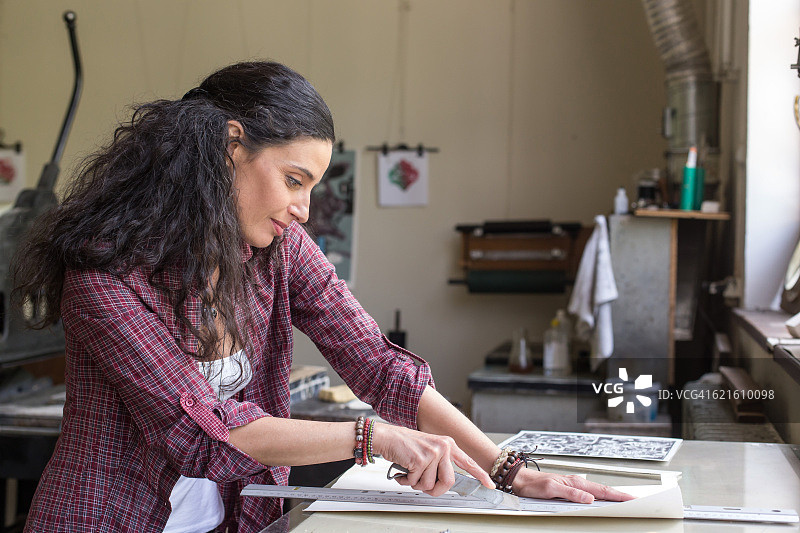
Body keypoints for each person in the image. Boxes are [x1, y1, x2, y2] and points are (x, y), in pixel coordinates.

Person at [14, 61, 631, 533]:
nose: (304, 208)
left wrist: (509, 472)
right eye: (293, 180)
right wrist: (373, 438)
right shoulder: (106, 276)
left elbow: (381, 367)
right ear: (231, 148)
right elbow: (205, 433)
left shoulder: (276, 252)